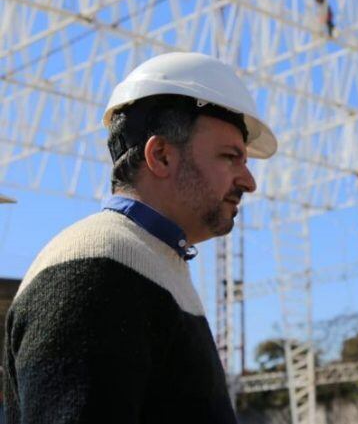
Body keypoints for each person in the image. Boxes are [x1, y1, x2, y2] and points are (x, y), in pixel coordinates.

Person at [2, 52, 277, 423]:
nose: (249, 181)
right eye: (231, 157)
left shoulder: (149, 262)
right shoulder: (98, 271)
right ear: (161, 156)